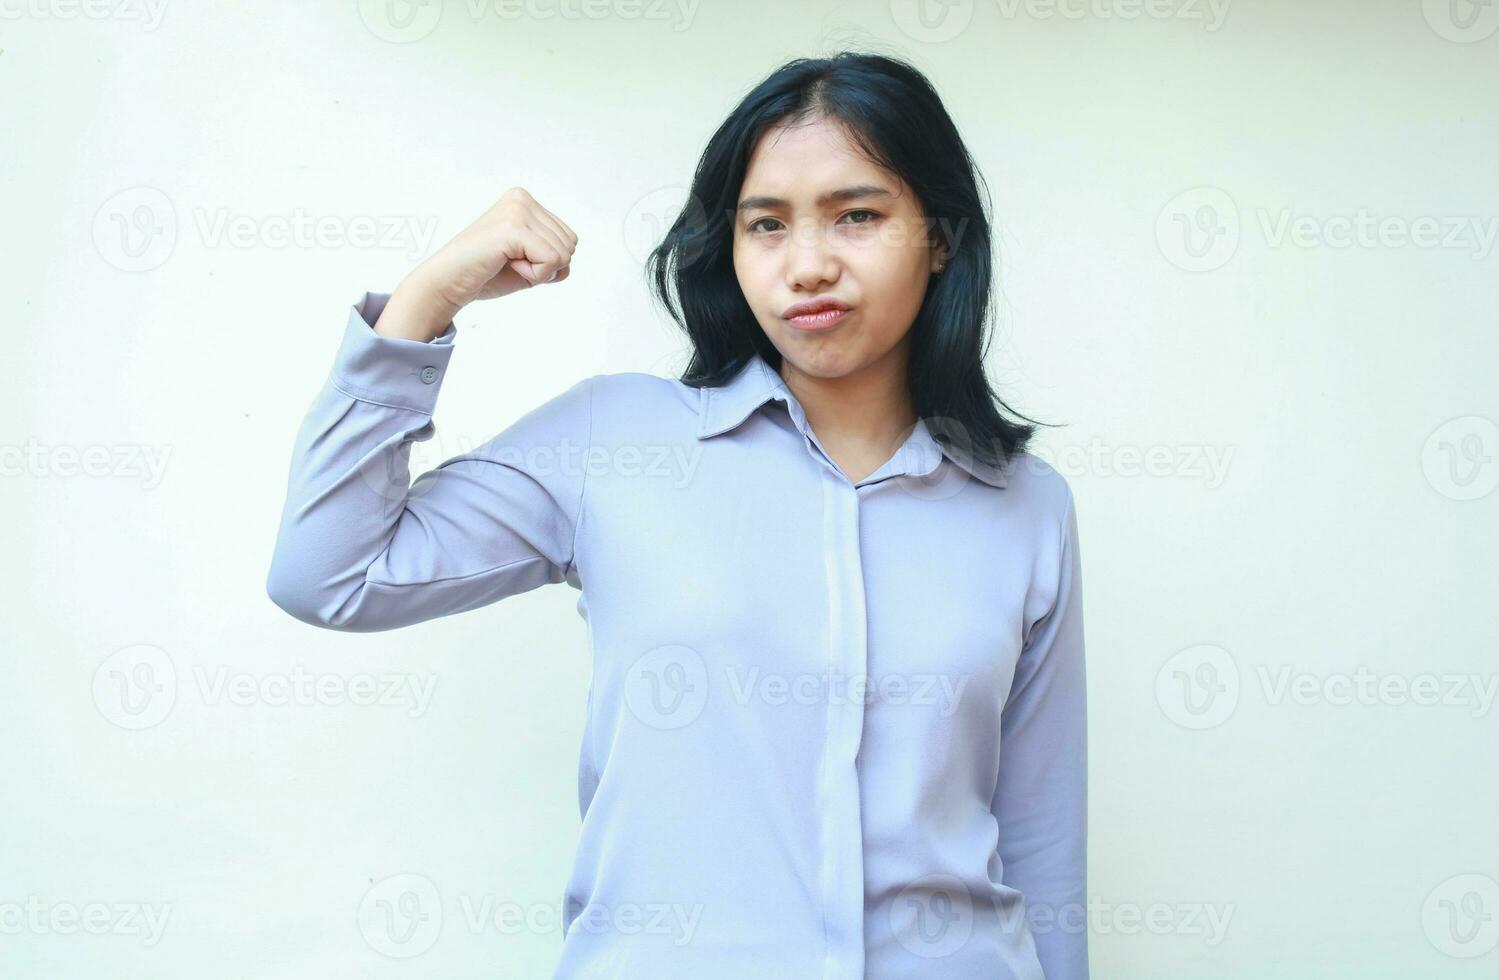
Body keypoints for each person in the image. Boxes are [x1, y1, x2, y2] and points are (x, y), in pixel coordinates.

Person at [266, 50, 1087, 980]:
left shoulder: (1025, 505)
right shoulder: (612, 441)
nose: (808, 265)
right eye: (765, 224)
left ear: (938, 236)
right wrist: (425, 301)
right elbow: (327, 575)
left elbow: (1039, 836)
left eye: (857, 215)